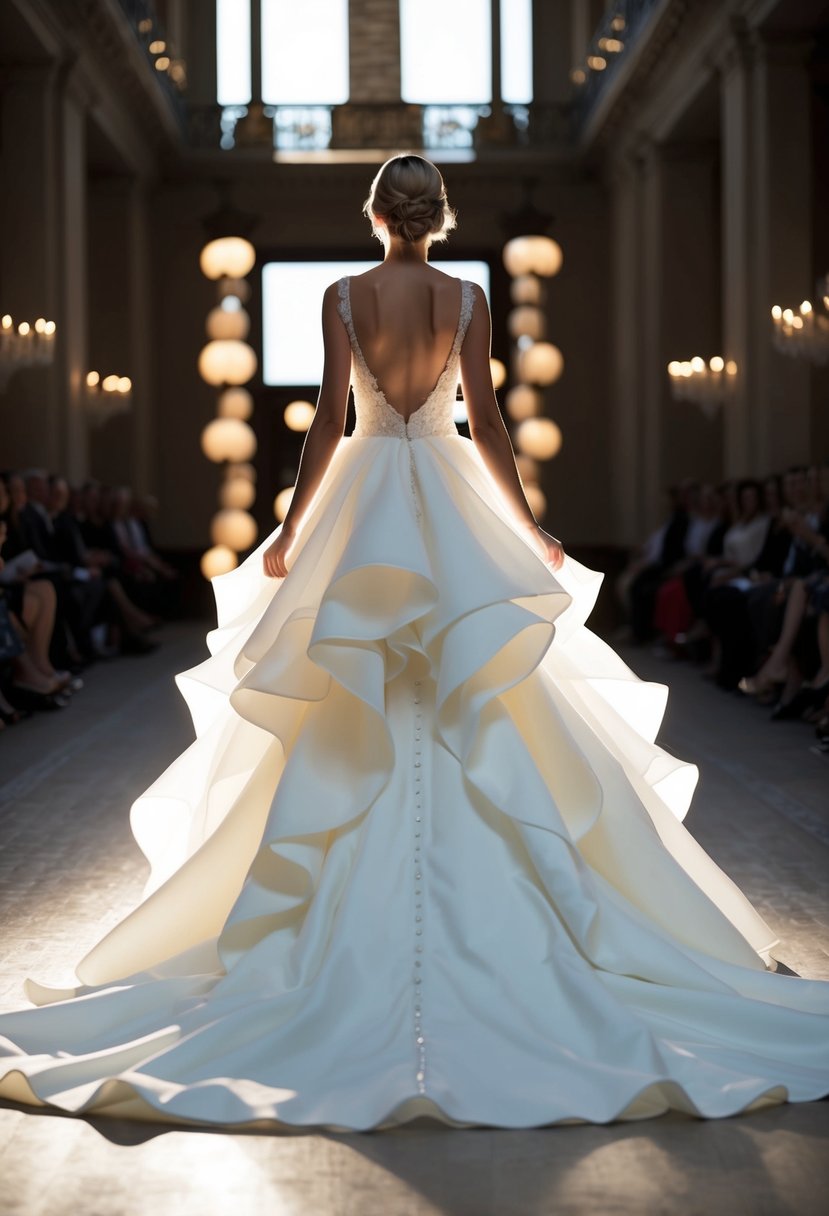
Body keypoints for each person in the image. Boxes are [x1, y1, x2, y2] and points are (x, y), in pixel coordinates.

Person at [0, 154, 827, 1131]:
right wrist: (528, 533)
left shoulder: (347, 297)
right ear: (438, 219)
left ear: (373, 215)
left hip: (363, 499)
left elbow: (322, 431)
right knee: (483, 691)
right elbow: (486, 431)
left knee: (345, 687)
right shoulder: (466, 298)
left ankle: (317, 924)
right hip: (446, 501)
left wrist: (298, 533)